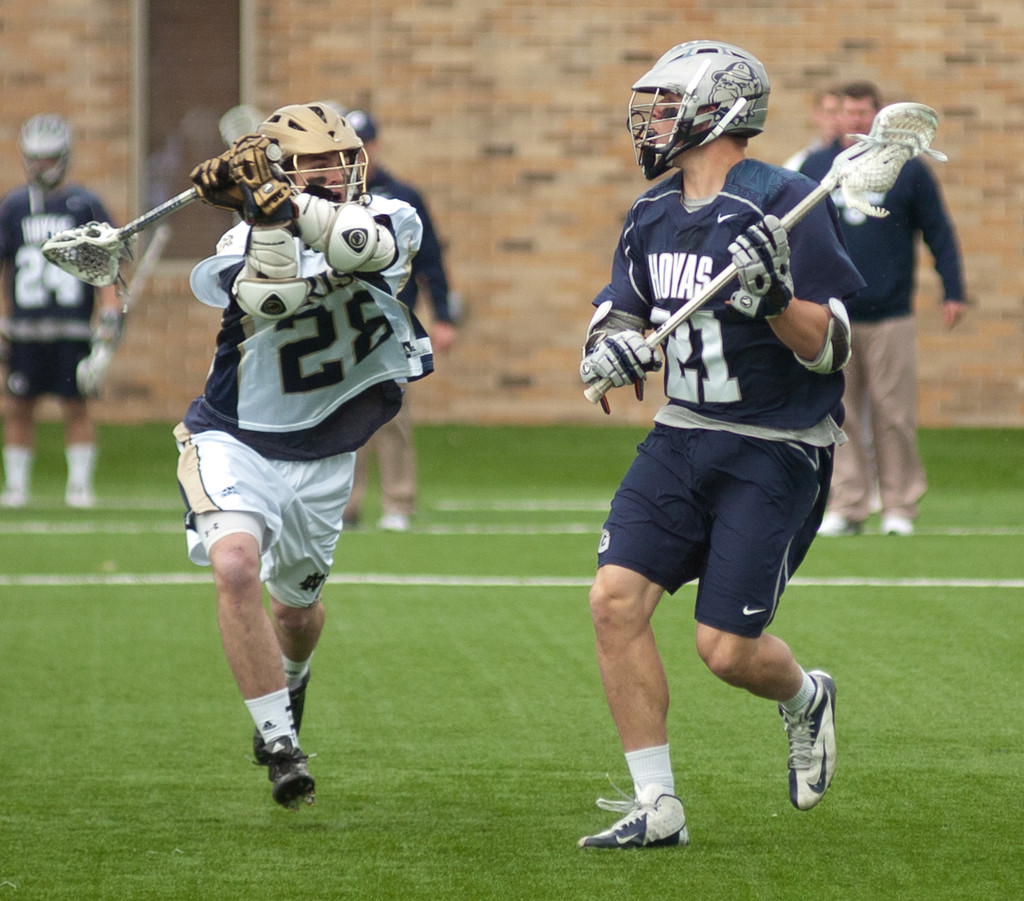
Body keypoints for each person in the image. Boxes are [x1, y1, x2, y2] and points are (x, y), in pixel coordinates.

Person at [576, 41, 865, 849]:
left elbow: (834, 346)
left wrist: (775, 300)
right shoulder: (651, 212)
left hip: (776, 444)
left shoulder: (787, 200)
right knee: (613, 600)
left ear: (719, 110)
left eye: (668, 105)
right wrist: (610, 346)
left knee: (727, 651)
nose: (653, 120)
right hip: (682, 434)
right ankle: (657, 804)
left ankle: (805, 696)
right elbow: (621, 307)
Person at [178, 102, 432, 808]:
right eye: (311, 163)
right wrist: (265, 220)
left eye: (338, 159)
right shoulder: (241, 236)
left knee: (295, 613)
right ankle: (280, 745)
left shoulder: (395, 215)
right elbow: (274, 301)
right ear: (282, 170)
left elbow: (361, 249)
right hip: (236, 434)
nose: (330, 172)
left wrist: (282, 204)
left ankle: (293, 678)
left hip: (326, 447)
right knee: (235, 565)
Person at [800, 81, 967, 537]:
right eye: (848, 111)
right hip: (833, 317)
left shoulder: (909, 170)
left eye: (863, 112)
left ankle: (898, 505)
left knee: (894, 415)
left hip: (891, 314)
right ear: (836, 115)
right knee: (840, 416)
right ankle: (848, 504)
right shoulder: (816, 167)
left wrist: (953, 290)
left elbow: (939, 231)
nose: (855, 119)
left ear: (877, 116)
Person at [339, 109, 458, 532]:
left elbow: (430, 259)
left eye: (363, 145)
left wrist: (443, 316)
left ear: (375, 145)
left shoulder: (402, 197)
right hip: (339, 320)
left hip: (391, 319)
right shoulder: (327, 200)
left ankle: (398, 502)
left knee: (393, 411)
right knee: (341, 411)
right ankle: (343, 505)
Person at [0, 113, 122, 508]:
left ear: (64, 157)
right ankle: (16, 487)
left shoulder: (84, 205)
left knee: (76, 405)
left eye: (49, 158)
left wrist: (109, 315)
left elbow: (107, 267)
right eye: (36, 158)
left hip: (72, 327)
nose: (42, 166)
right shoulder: (13, 206)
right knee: (18, 406)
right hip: (25, 329)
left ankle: (80, 487)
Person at [782, 86, 840, 171]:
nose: (838, 118)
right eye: (831, 112)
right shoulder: (798, 164)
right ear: (817, 115)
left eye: (842, 112)